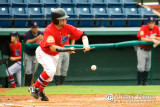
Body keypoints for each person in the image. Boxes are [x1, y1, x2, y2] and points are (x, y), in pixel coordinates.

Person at [28, 8, 90, 101]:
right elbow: (52, 47)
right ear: (56, 20)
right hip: (44, 52)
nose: (65, 20)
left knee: (50, 76)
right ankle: (34, 87)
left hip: (54, 54)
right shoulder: (49, 29)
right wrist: (67, 49)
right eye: (62, 19)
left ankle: (40, 91)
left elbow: (82, 34)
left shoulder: (67, 27)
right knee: (51, 70)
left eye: (65, 18)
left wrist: (85, 44)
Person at [137, 17, 160, 85]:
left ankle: (144, 83)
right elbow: (142, 38)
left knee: (147, 67)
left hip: (149, 50)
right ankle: (139, 83)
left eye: (152, 23)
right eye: (150, 23)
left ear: (154, 23)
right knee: (141, 67)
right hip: (142, 50)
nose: (151, 24)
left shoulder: (156, 27)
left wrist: (154, 37)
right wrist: (152, 40)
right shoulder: (144, 27)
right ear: (148, 23)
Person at [24, 21, 44, 86]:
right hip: (28, 54)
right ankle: (26, 85)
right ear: (31, 28)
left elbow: (45, 40)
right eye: (33, 27)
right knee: (28, 70)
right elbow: (27, 42)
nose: (35, 29)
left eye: (36, 27)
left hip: (36, 54)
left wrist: (42, 39)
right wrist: (36, 39)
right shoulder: (28, 33)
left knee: (33, 70)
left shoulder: (41, 33)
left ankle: (31, 84)